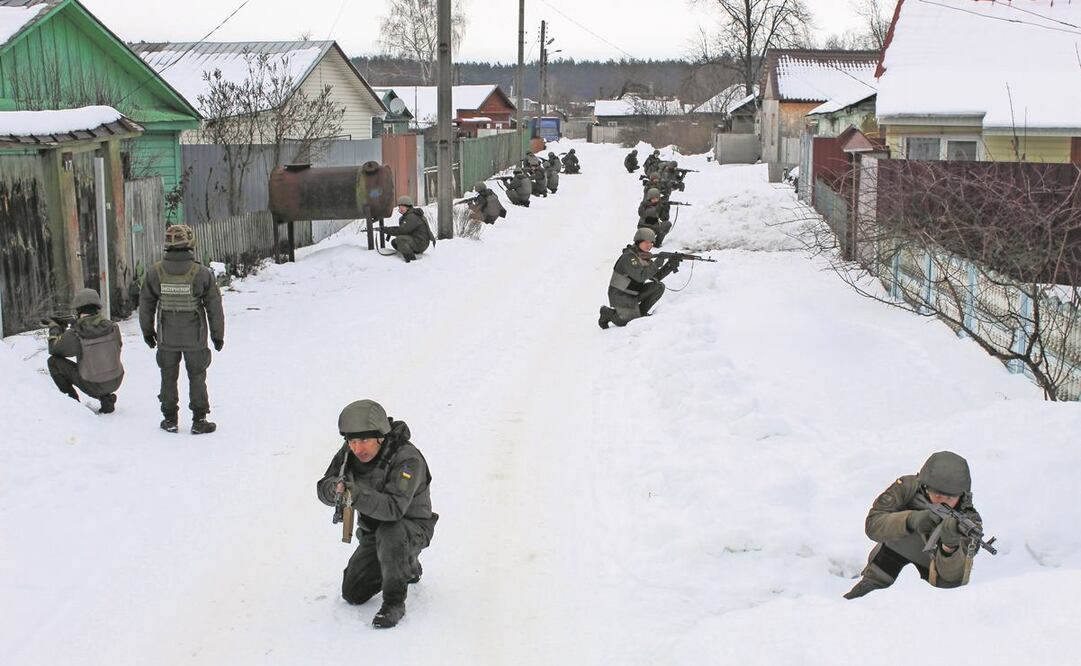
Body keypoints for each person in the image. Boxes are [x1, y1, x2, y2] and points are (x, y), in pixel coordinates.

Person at [316, 399, 437, 629]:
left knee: (392, 532)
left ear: (380, 436)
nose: (357, 448)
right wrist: (334, 490)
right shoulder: (349, 453)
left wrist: (356, 494)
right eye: (352, 441)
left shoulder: (407, 459)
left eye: (364, 440)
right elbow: (323, 485)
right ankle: (405, 565)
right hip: (374, 532)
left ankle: (394, 603)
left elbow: (393, 509)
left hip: (411, 528)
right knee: (353, 592)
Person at [844, 451, 984, 599]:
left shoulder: (969, 522)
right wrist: (911, 519)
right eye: (937, 495)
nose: (941, 501)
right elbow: (873, 526)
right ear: (925, 486)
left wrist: (950, 547)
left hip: (930, 593)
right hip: (882, 576)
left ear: (962, 495)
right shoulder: (908, 488)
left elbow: (953, 580)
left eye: (949, 497)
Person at [139, 224, 224, 434]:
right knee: (197, 376)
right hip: (195, 337)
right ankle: (199, 420)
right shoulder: (201, 273)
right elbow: (214, 306)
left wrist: (148, 332)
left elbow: (146, 304)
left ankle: (169, 419)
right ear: (190, 243)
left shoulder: (155, 272)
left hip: (166, 337)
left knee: (167, 377)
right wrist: (217, 335)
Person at [46, 288, 123, 414]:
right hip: (116, 379)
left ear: (78, 310)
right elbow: (116, 346)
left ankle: (72, 403)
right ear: (97, 308)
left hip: (93, 385)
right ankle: (106, 398)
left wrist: (55, 328)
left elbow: (54, 349)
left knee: (53, 362)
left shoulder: (76, 333)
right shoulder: (113, 327)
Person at [598, 227, 682, 329]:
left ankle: (641, 313)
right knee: (624, 322)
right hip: (621, 295)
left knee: (658, 286)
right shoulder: (629, 257)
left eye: (651, 242)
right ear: (638, 242)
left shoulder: (644, 257)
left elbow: (655, 277)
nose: (649, 245)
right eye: (645, 242)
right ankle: (607, 312)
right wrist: (657, 262)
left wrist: (669, 265)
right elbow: (640, 277)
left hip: (633, 292)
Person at [383, 196, 434, 263]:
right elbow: (404, 229)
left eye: (402, 207)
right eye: (399, 207)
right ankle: (412, 252)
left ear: (408, 207)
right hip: (417, 240)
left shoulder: (412, 216)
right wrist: (388, 229)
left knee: (400, 239)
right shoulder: (408, 215)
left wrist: (387, 230)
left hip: (420, 243)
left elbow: (401, 231)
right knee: (394, 242)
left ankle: (411, 259)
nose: (400, 209)